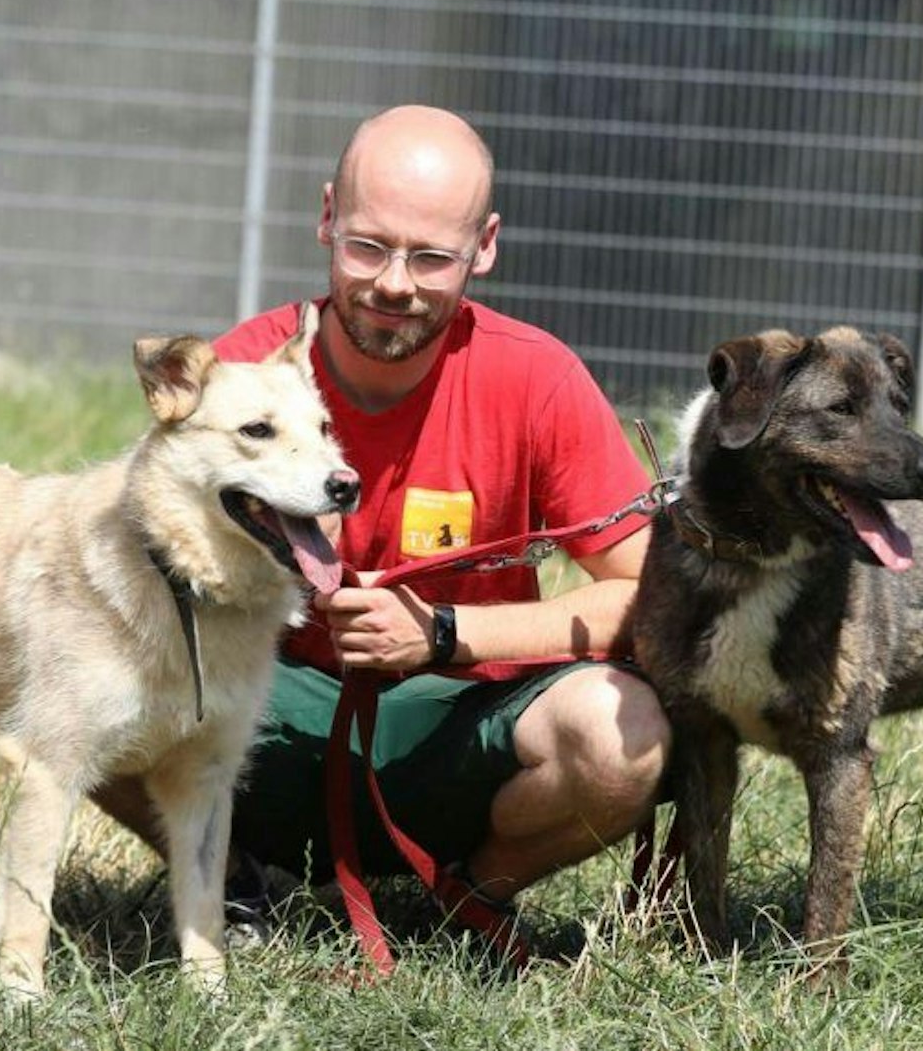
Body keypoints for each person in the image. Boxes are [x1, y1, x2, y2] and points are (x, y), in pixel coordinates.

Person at [91, 105, 669, 935]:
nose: (395, 283)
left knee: (627, 731)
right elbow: (136, 557)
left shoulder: (536, 379)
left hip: (468, 726)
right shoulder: (246, 371)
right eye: (369, 245)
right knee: (90, 655)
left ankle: (467, 897)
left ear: (486, 246)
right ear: (327, 217)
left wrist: (443, 634)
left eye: (432, 257)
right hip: (267, 722)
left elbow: (648, 599)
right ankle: (228, 879)